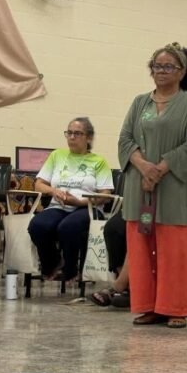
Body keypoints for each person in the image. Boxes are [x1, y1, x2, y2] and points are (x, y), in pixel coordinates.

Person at [118, 43, 187, 329]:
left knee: (174, 249)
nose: (161, 71)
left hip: (173, 191)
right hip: (140, 191)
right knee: (143, 245)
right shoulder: (139, 103)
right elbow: (125, 140)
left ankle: (174, 307)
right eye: (157, 65)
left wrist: (161, 168)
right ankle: (148, 306)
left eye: (168, 66)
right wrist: (143, 166)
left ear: (181, 72)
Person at [89, 158, 187, 308]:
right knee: (115, 227)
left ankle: (120, 286)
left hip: (178, 215)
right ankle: (131, 287)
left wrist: (175, 196)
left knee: (144, 232)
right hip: (149, 209)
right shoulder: (149, 154)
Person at [28, 117, 114, 282]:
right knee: (37, 225)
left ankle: (71, 269)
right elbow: (38, 184)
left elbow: (106, 193)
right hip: (58, 206)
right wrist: (53, 191)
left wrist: (80, 202)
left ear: (88, 138)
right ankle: (53, 264)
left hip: (87, 208)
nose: (72, 137)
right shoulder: (56, 155)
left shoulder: (99, 161)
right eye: (69, 133)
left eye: (77, 133)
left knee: (68, 227)